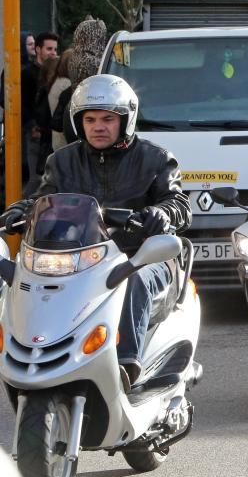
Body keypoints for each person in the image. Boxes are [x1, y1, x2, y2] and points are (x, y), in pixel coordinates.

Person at [2, 75, 191, 390]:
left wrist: (162, 212)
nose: (98, 126)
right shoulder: (61, 161)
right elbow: (42, 199)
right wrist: (23, 210)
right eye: (90, 119)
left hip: (138, 255)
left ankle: (127, 363)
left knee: (134, 278)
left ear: (125, 120)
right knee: (29, 280)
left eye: (107, 119)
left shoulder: (156, 158)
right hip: (81, 259)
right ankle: (33, 352)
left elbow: (179, 204)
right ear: (79, 122)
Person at [21, 32, 59, 193]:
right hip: (35, 134)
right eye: (49, 48)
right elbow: (23, 103)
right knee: (35, 178)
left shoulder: (56, 71)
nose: (53, 53)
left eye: (55, 49)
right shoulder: (27, 73)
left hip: (51, 133)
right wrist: (32, 125)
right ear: (38, 49)